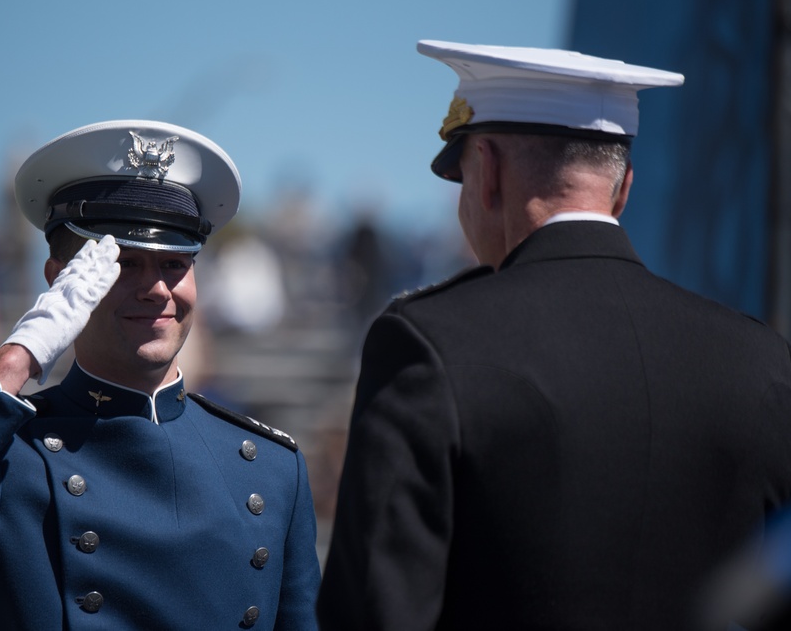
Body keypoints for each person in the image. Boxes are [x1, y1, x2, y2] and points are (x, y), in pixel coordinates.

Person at [316, 41, 791, 630]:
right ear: (624, 187)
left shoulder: (429, 342)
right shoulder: (761, 359)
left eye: (461, 177)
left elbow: (375, 611)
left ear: (487, 171)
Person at [0, 120, 321, 630]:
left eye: (175, 264)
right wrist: (20, 354)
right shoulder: (0, 464)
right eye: (124, 265)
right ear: (57, 281)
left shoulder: (271, 469)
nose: (157, 289)